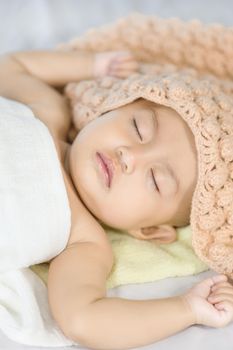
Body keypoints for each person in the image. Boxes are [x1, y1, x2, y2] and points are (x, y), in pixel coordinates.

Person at [0, 49, 232, 350]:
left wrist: (187, 308)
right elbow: (11, 66)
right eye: (138, 128)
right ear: (112, 108)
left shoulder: (82, 242)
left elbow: (83, 320)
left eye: (155, 180)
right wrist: (92, 64)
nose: (130, 156)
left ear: (149, 230)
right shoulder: (47, 113)